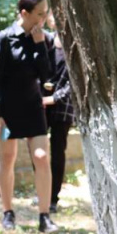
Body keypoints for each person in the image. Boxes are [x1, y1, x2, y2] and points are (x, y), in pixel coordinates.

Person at [0, 0, 59, 233]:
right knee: (8, 157)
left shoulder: (44, 39)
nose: (44, 18)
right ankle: (8, 212)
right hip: (6, 113)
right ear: (24, 13)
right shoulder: (3, 39)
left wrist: (39, 46)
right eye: (40, 13)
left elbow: (46, 76)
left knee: (41, 156)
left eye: (45, 13)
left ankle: (45, 215)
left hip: (33, 109)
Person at [43, 11, 74, 214]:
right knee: (37, 149)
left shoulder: (74, 45)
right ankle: (42, 192)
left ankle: (53, 197)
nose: (53, 17)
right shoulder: (44, 41)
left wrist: (54, 98)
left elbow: (75, 82)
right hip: (42, 105)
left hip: (63, 107)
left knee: (57, 151)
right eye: (50, 13)